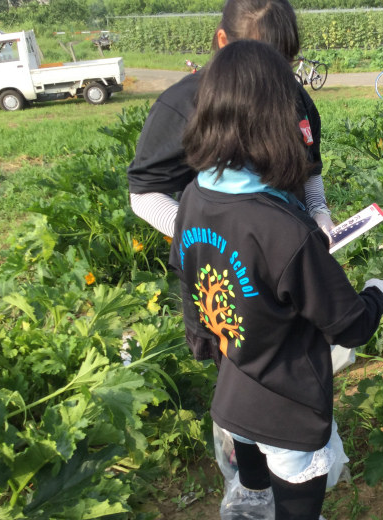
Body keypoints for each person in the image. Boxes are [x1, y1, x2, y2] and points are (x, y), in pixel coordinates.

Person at [168, 40, 383, 520]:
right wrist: (379, 294)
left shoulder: (195, 197)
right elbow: (348, 326)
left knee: (251, 501)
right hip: (290, 412)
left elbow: (190, 282)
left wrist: (206, 341)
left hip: (234, 398)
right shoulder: (284, 231)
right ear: (276, 121)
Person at [127, 0, 335, 363]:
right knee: (242, 384)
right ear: (224, 41)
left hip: (292, 271)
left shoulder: (296, 99)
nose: (275, 77)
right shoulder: (185, 105)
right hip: (225, 285)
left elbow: (310, 170)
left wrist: (319, 211)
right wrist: (216, 240)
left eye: (284, 62)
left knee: (300, 370)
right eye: (263, 60)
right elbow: (144, 194)